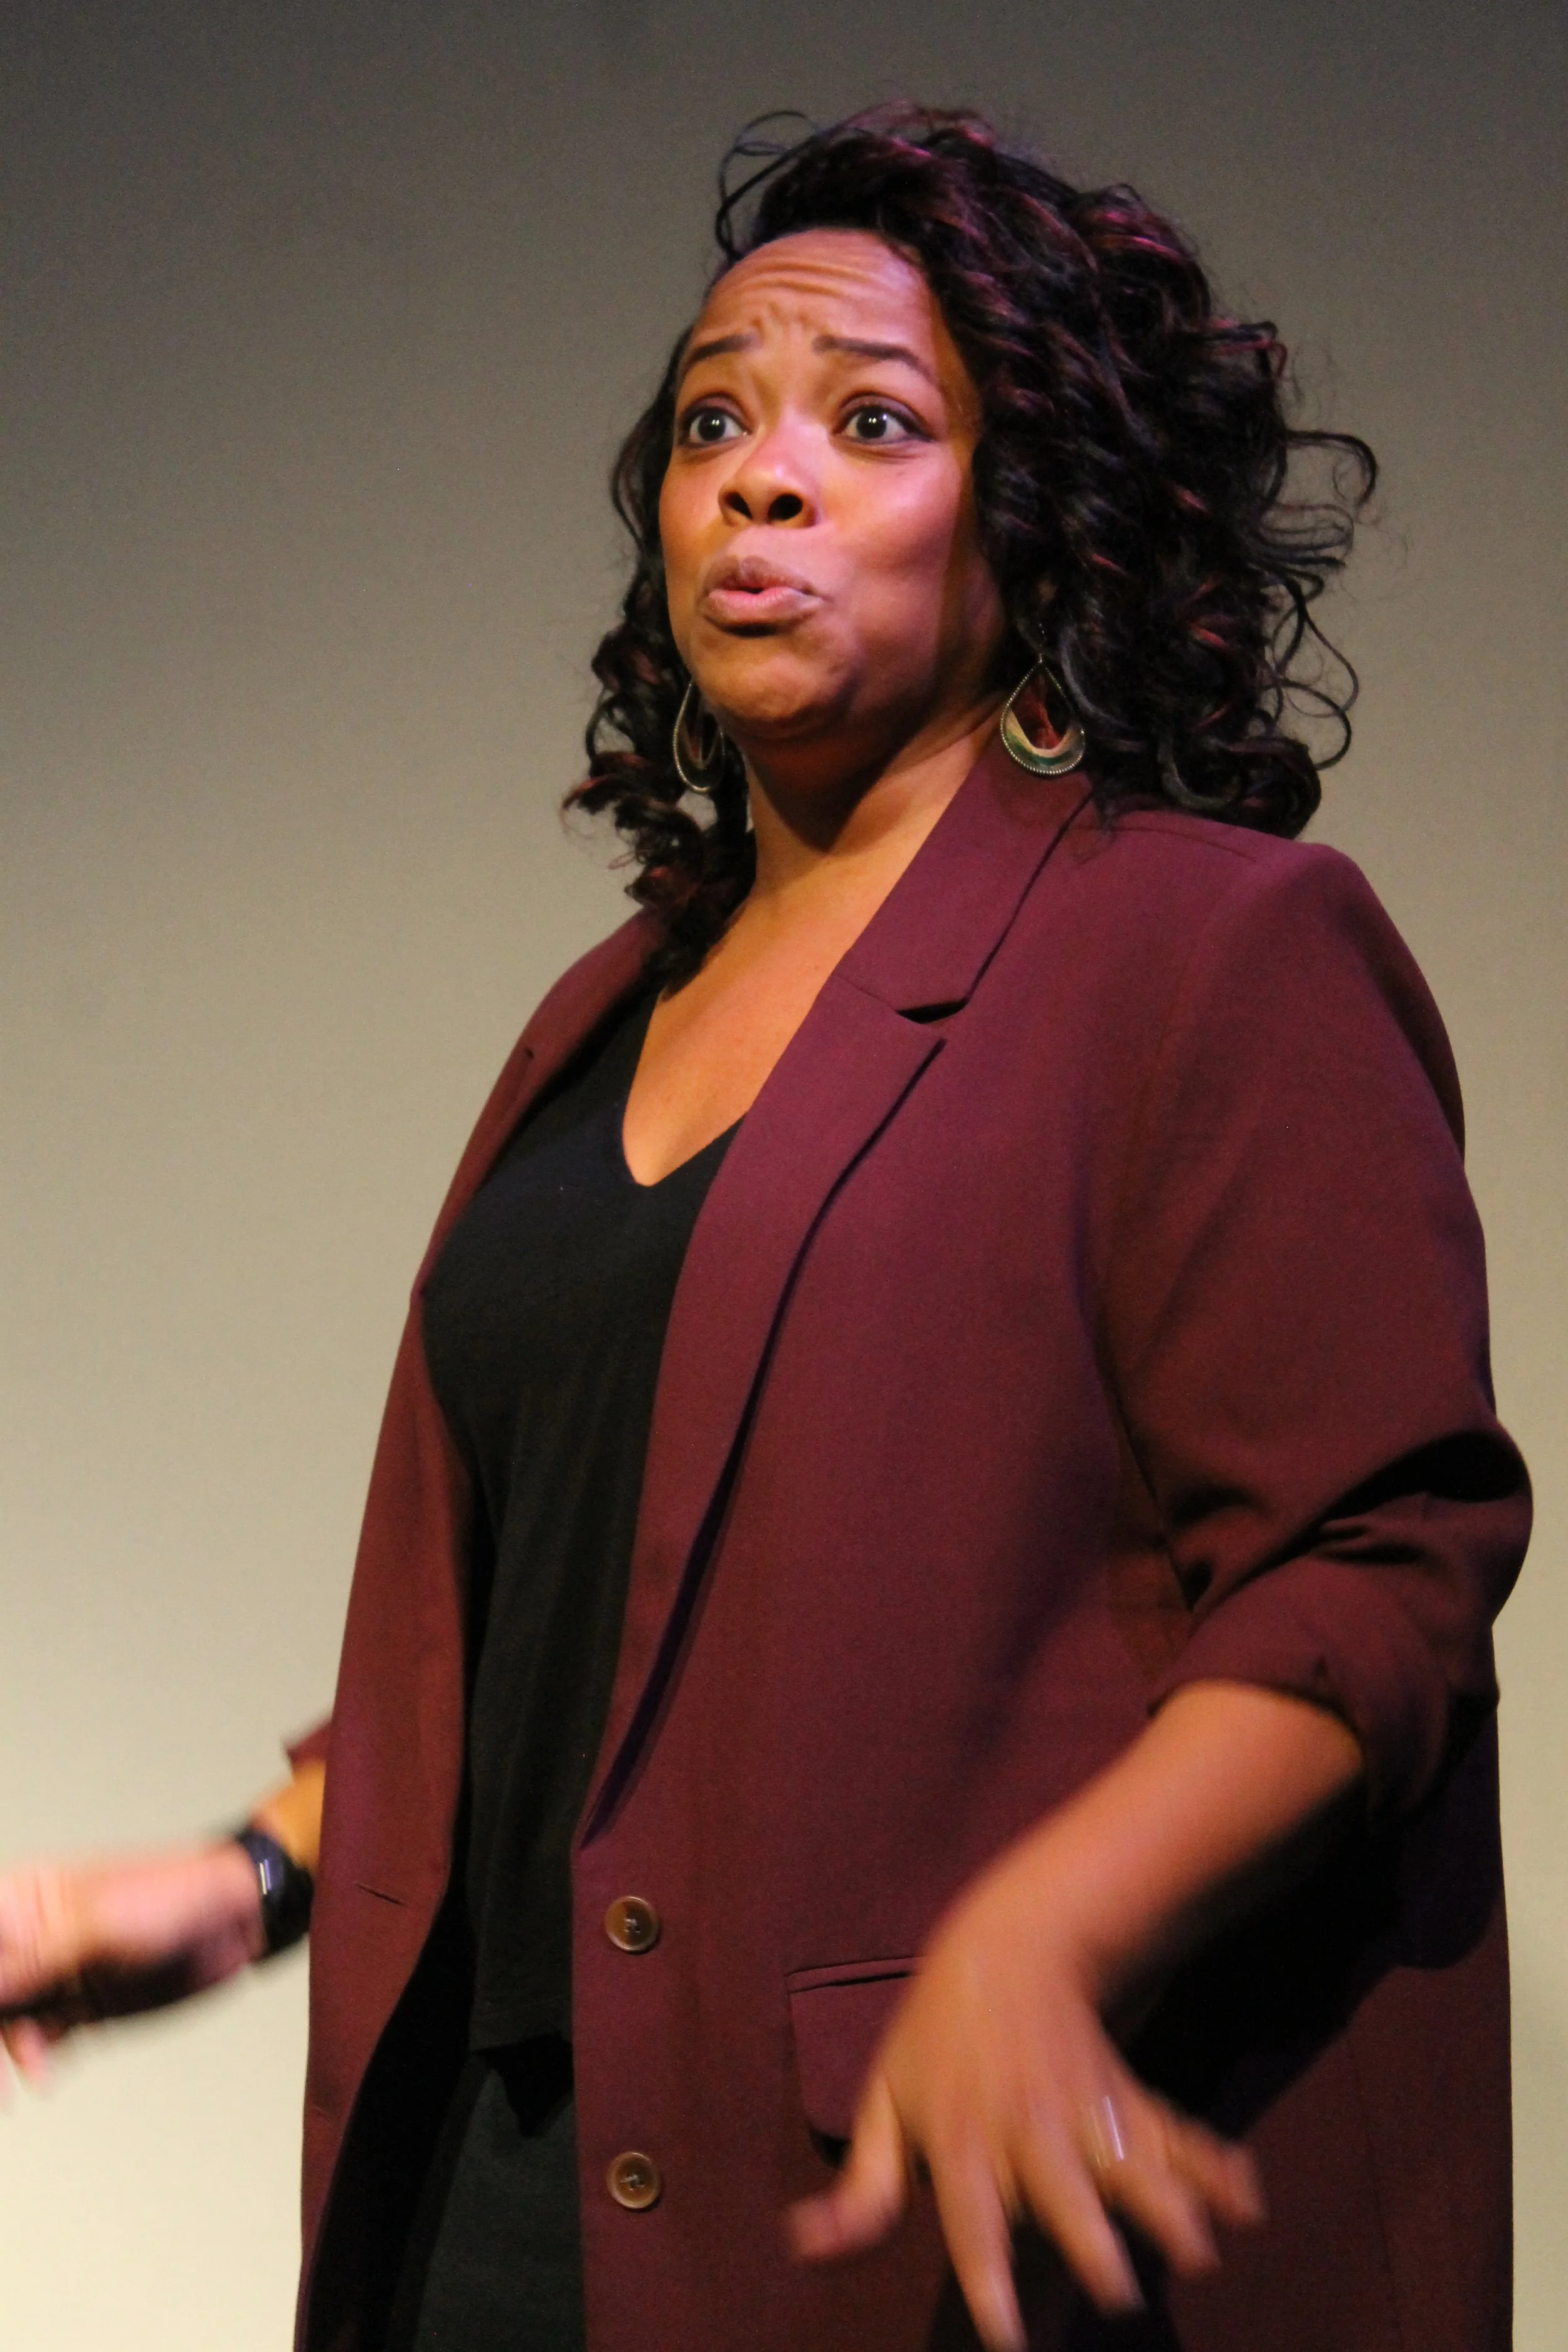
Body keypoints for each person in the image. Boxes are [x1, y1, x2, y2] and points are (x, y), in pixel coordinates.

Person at [0, 105, 1530, 2352]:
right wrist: (233, 1884)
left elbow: (1371, 1563)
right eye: (713, 419)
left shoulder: (1207, 949)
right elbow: (571, 1651)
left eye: (873, 421)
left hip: (902, 2231)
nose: (761, 472)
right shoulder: (599, 1017)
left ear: (1039, 512)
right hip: (490, 2209)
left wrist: (1044, 1931)